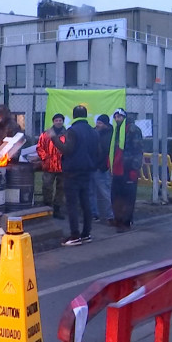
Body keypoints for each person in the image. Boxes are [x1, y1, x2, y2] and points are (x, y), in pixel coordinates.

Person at [48, 105, 100, 246]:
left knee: (72, 204)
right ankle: (86, 234)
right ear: (85, 115)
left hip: (72, 171)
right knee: (85, 202)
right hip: (87, 170)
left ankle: (74, 235)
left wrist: (53, 138)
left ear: (74, 115)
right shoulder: (94, 132)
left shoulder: (73, 131)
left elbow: (67, 149)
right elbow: (98, 152)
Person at [110, 108, 144, 233]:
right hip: (118, 168)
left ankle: (126, 221)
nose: (117, 119)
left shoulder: (133, 130)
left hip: (128, 168)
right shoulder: (116, 130)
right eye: (116, 117)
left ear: (124, 117)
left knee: (128, 197)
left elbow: (138, 151)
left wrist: (134, 168)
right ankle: (118, 218)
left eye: (119, 117)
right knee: (116, 195)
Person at [36, 113, 66, 220]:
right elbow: (39, 147)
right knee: (47, 187)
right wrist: (45, 158)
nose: (58, 122)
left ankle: (57, 210)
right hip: (48, 166)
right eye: (56, 120)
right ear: (53, 122)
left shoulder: (67, 134)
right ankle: (47, 208)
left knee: (61, 189)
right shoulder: (46, 134)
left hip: (62, 166)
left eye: (60, 120)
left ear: (63, 122)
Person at [94, 114, 115, 225]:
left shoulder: (108, 136)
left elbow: (104, 152)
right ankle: (96, 214)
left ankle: (110, 215)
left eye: (100, 123)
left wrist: (101, 165)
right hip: (96, 166)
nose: (97, 125)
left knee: (104, 191)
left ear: (105, 124)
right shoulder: (98, 133)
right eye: (97, 122)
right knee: (95, 192)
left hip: (102, 167)